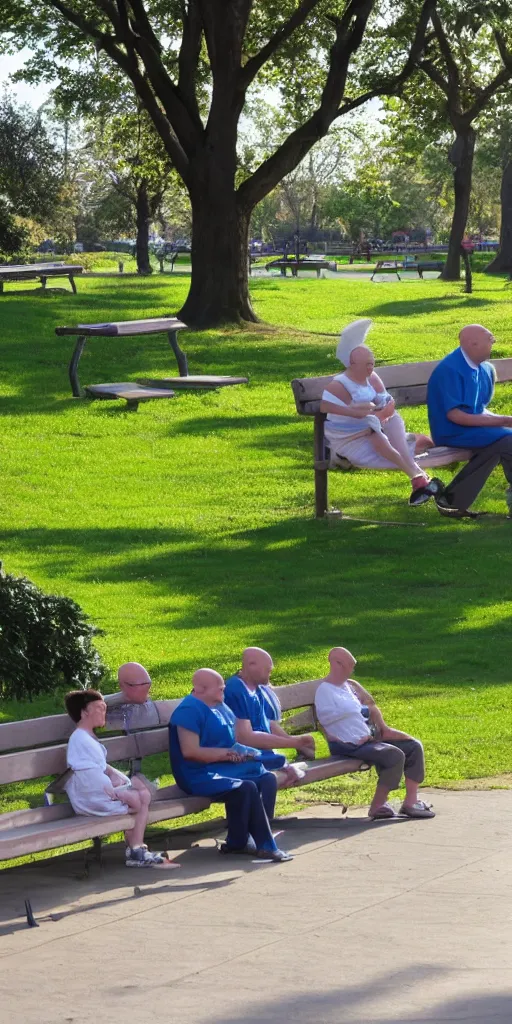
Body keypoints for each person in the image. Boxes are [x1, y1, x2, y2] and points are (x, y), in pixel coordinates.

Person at [169, 668, 292, 862]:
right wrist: (226, 754)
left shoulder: (221, 707)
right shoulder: (188, 711)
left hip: (221, 766)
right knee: (246, 787)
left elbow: (230, 741)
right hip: (197, 773)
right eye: (219, 689)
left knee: (266, 778)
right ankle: (265, 845)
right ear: (201, 689)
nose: (223, 693)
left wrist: (246, 752)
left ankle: (242, 840)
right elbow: (190, 752)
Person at [320, 319, 442, 506]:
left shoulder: (371, 377)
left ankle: (418, 480)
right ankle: (417, 476)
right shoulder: (340, 384)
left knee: (392, 421)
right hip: (349, 431)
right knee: (376, 432)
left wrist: (383, 410)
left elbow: (386, 400)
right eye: (365, 363)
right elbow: (330, 409)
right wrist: (359, 412)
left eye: (371, 363)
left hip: (374, 423)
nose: (370, 367)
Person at [314, 648, 434, 820]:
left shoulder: (349, 687)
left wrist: (380, 730)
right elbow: (326, 723)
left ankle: (410, 802)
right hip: (347, 745)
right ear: (337, 664)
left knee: (413, 746)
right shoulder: (325, 691)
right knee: (393, 755)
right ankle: (378, 805)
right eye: (349, 666)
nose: (352, 671)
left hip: (366, 741)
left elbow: (368, 706)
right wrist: (355, 738)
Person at [64, 689, 177, 868]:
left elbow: (98, 767)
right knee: (140, 798)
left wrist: (117, 778)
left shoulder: (85, 738)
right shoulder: (80, 740)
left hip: (99, 794)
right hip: (94, 801)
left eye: (104, 707)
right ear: (84, 712)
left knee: (143, 794)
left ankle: (136, 848)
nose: (104, 712)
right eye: (99, 708)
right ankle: (136, 850)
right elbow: (88, 777)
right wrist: (118, 793)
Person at [427, 324, 512, 518]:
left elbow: (479, 409)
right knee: (508, 441)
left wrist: (502, 421)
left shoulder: (486, 369)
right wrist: (505, 421)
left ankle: (452, 502)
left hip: (474, 430)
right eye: (490, 339)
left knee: (499, 445)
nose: (494, 342)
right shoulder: (450, 370)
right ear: (472, 344)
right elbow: (455, 416)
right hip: (452, 431)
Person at [225, 647, 315, 784]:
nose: (270, 674)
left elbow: (268, 724)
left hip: (260, 754)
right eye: (268, 670)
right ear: (251, 665)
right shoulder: (235, 690)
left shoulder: (257, 688)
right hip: (242, 756)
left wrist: (298, 744)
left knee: (289, 769)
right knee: (279, 773)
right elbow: (244, 738)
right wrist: (294, 742)